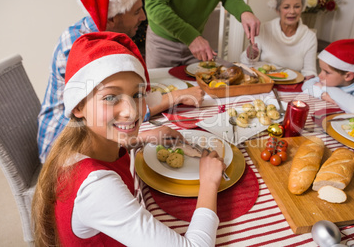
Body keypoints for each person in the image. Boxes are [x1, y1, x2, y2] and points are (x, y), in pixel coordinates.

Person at [32, 32, 226, 246]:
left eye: (138, 95)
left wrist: (145, 137)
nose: (131, 112)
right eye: (110, 97)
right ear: (78, 106)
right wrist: (209, 182)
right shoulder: (97, 188)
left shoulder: (79, 144)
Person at [37, 0, 205, 163]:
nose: (143, 17)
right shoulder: (81, 48)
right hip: (63, 149)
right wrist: (145, 133)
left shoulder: (110, 40)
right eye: (136, 11)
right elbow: (106, 115)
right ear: (111, 18)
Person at [144, 0, 261, 68]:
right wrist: (191, 37)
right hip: (162, 42)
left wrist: (243, 11)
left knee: (199, 94)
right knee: (159, 93)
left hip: (196, 42)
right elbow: (155, 5)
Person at [240, 0, 317, 79]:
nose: (292, 11)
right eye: (286, 7)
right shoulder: (264, 29)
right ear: (277, 9)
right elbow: (245, 62)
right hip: (263, 83)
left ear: (302, 8)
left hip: (292, 88)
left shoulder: (309, 36)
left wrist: (310, 79)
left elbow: (309, 71)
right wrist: (251, 55)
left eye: (297, 7)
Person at [302, 39, 354, 114]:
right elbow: (306, 85)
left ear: (348, 76)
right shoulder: (331, 80)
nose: (320, 75)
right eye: (321, 69)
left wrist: (325, 88)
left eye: (326, 72)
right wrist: (322, 94)